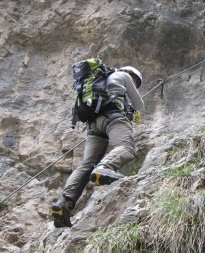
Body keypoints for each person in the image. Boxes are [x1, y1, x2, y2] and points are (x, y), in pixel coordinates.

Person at [50, 66, 144, 228]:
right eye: (137, 82)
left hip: (94, 124)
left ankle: (64, 204)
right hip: (114, 117)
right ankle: (104, 168)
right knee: (127, 148)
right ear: (132, 75)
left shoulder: (99, 82)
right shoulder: (124, 75)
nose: (135, 84)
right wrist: (133, 110)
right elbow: (139, 104)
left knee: (86, 165)